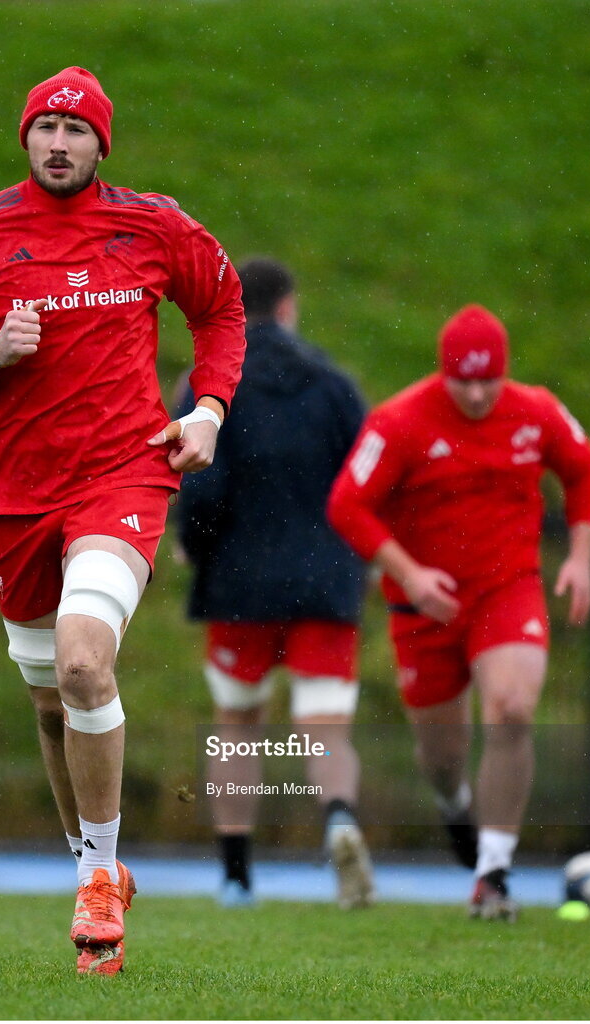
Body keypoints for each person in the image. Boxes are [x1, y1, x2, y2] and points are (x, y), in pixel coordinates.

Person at [0, 67, 245, 974]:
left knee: (88, 661)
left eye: (76, 130)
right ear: (26, 138)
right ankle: (99, 870)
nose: (59, 142)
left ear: (102, 146)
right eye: (45, 126)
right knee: (52, 702)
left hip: (122, 474)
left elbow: (222, 309)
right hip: (12, 493)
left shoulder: (153, 224)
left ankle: (95, 887)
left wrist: (207, 410)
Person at [327, 304, 590, 920]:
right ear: (442, 371)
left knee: (511, 709)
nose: (477, 394)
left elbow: (583, 469)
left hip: (508, 589)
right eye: (463, 381)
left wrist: (581, 555)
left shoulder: (536, 410)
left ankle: (493, 872)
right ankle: (457, 808)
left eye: (489, 380)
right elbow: (347, 504)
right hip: (423, 608)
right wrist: (409, 574)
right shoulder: (399, 421)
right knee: (442, 759)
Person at [175, 257, 374, 910]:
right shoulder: (335, 384)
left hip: (241, 581)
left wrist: (193, 546)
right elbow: (368, 480)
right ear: (288, 307)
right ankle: (340, 819)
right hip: (327, 579)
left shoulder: (211, 388)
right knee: (325, 726)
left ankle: (236, 876)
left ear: (233, 311)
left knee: (237, 723)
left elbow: (201, 485)